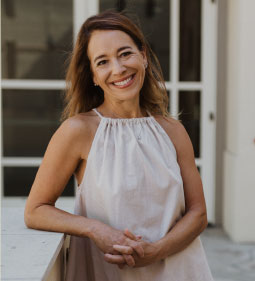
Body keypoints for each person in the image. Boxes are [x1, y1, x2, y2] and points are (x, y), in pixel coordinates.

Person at [24, 10, 214, 281]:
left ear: (143, 56)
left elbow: (198, 214)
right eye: (103, 61)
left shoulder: (173, 131)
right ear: (93, 75)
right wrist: (95, 229)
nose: (118, 68)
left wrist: (155, 251)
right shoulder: (78, 131)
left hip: (178, 270)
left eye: (125, 54)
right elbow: (36, 210)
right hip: (109, 273)